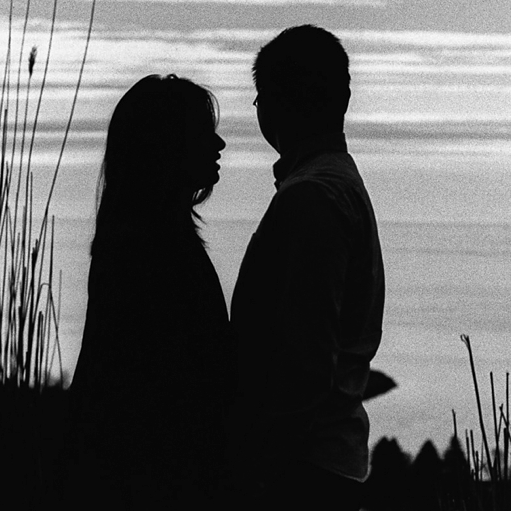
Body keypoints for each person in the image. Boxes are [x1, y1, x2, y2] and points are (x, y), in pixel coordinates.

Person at [228, 25, 385, 510]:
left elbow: (303, 361)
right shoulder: (336, 185)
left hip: (302, 472)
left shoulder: (311, 198)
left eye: (260, 98)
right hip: (326, 462)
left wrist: (257, 467)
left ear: (274, 103)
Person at [65, 74, 232, 508]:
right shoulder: (150, 249)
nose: (219, 145)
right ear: (167, 145)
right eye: (203, 133)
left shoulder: (141, 238)